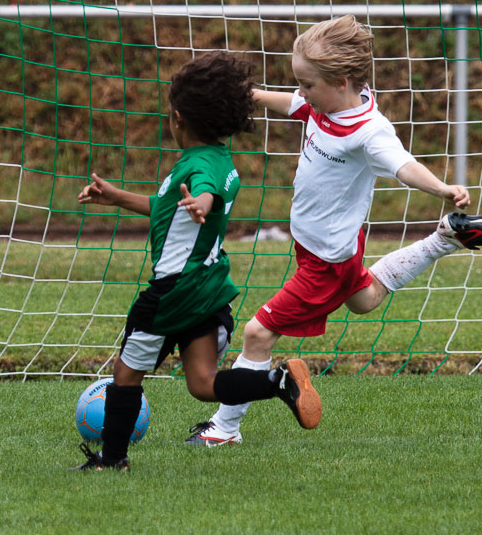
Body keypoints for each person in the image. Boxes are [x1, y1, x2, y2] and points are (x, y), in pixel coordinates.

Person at [186, 15, 482, 446]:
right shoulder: (327, 103)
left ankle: (224, 429)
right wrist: (247, 95)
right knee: (363, 299)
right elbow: (292, 104)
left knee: (257, 332)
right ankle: (445, 239)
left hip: (325, 260)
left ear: (341, 81)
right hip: (325, 246)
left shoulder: (368, 131)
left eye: (308, 84)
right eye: (299, 82)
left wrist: (443, 187)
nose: (302, 93)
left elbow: (403, 166)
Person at [72, 51, 321, 470]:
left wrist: (200, 202)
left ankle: (111, 459)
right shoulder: (223, 161)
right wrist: (117, 197)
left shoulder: (198, 167)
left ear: (177, 117)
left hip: (173, 289)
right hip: (208, 287)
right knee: (204, 383)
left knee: (126, 373)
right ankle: (277, 382)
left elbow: (203, 192)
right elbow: (171, 207)